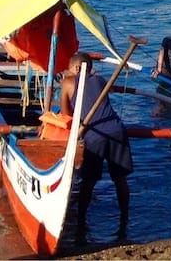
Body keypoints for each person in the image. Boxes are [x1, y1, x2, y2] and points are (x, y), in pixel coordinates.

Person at [60, 52, 132, 242]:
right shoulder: (100, 80)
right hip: (117, 130)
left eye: (69, 68)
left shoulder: (68, 81)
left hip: (94, 136)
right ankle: (125, 219)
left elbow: (66, 114)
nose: (67, 71)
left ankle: (81, 221)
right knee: (120, 179)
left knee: (88, 182)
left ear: (77, 68)